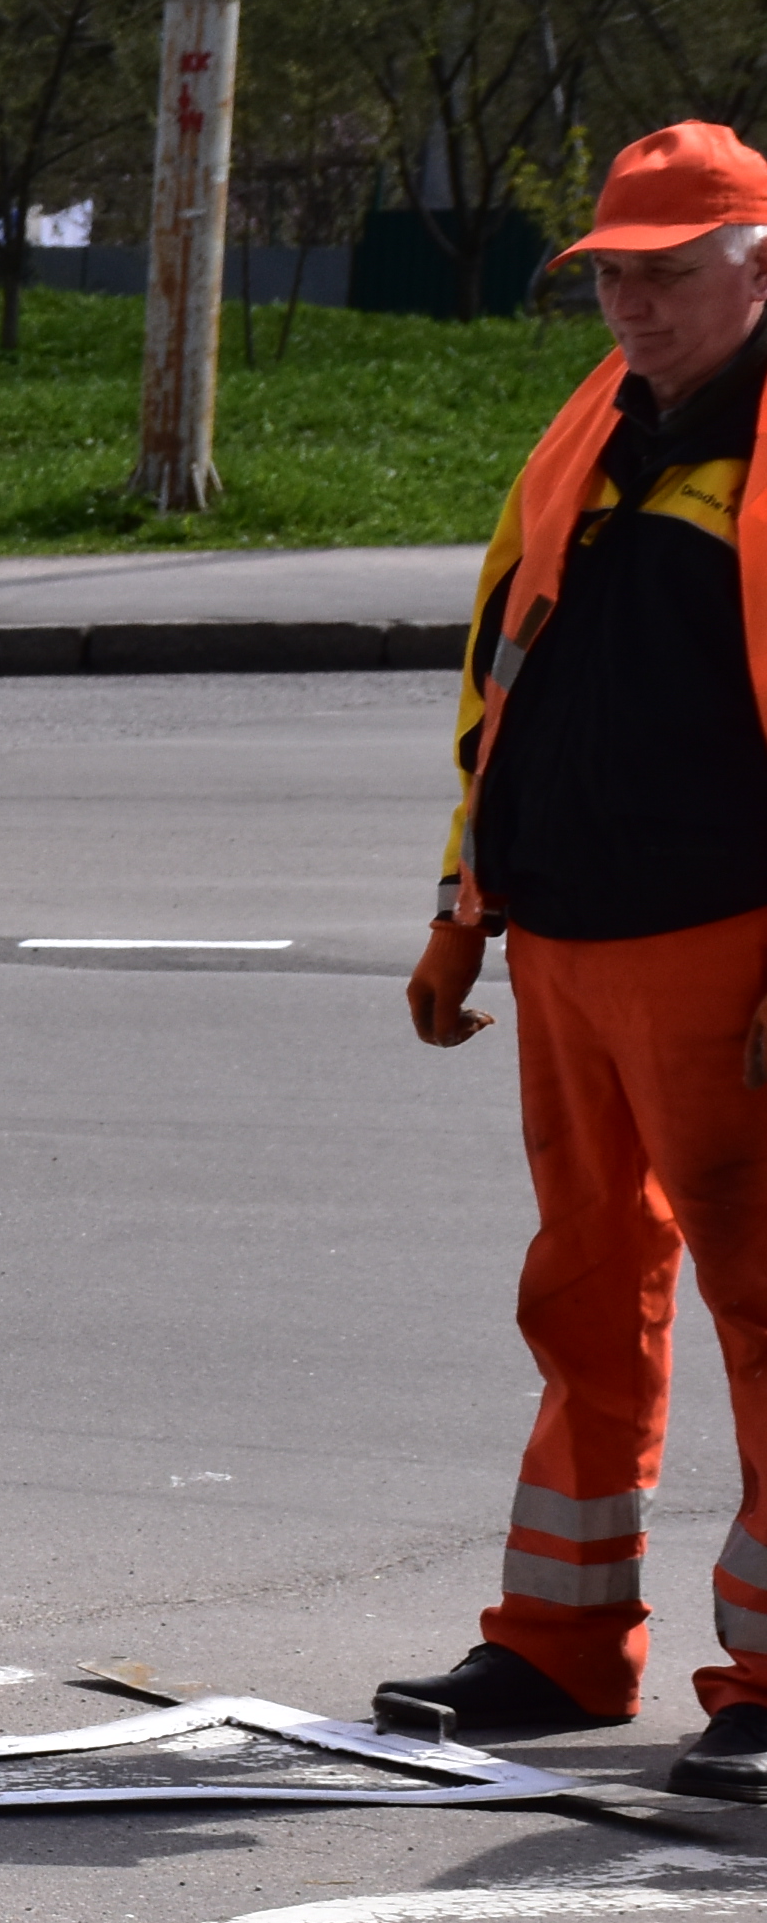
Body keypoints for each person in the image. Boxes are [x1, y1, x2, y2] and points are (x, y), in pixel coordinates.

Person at [385, 121, 767, 1801]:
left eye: (668, 273)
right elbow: (504, 662)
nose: (633, 301)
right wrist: (465, 905)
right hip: (572, 936)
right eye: (610, 272)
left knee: (765, 1305)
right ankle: (558, 1642)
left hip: (728, 942)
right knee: (583, 1287)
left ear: (758, 262)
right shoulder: (594, 423)